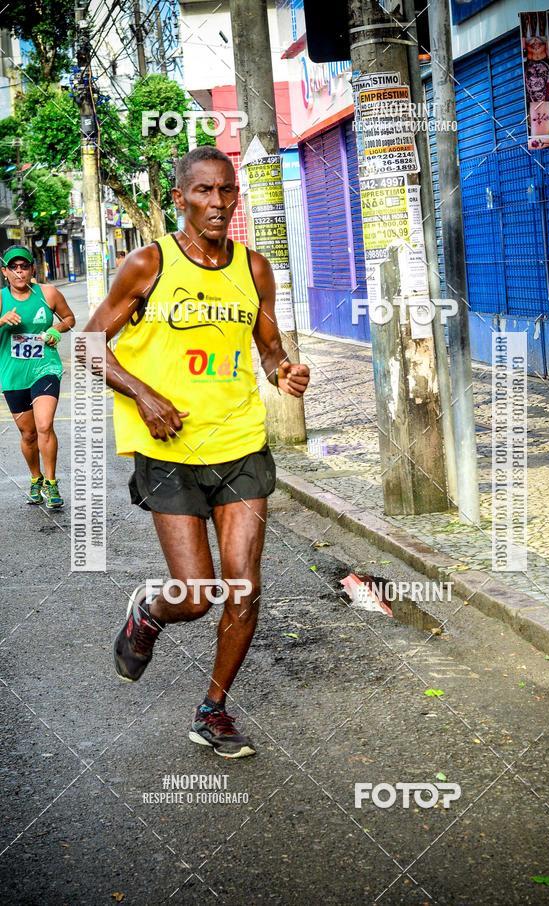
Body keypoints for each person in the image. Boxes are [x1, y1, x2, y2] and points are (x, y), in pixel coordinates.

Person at [83, 146, 310, 759]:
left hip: (240, 444)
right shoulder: (147, 265)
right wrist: (143, 393)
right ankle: (150, 613)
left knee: (243, 588)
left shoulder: (254, 269)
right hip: (170, 451)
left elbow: (267, 344)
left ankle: (213, 709)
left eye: (226, 191)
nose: (218, 203)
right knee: (196, 592)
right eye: (204, 191)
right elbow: (89, 344)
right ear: (180, 197)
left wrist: (283, 369)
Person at [0, 245, 75, 508]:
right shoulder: (0, 299)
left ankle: (52, 484)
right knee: (28, 433)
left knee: (44, 425)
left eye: (24, 266)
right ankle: (36, 477)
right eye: (13, 267)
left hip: (45, 368)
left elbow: (69, 318)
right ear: (5, 272)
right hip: (13, 374)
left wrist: (56, 329)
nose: (19, 271)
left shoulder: (48, 293)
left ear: (33, 269)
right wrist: (1, 320)